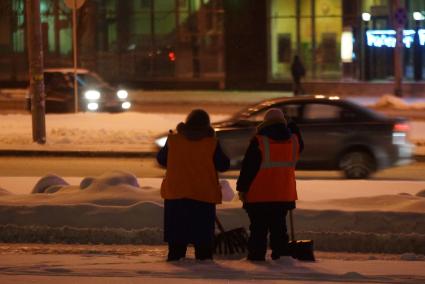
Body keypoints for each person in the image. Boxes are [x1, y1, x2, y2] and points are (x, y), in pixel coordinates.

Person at [157, 109, 230, 261]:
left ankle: (176, 270)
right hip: (203, 196)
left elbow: (162, 160)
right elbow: (223, 165)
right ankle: (204, 270)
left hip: (176, 195)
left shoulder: (173, 140)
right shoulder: (211, 143)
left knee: (177, 241)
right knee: (203, 242)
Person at [236, 108, 303, 261]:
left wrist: (242, 188)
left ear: (265, 123)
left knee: (258, 230)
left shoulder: (259, 141)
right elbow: (301, 142)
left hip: (259, 194)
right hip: (282, 194)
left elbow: (248, 168)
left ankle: (256, 257)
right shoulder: (293, 141)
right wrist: (292, 126)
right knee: (279, 228)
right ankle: (281, 256)